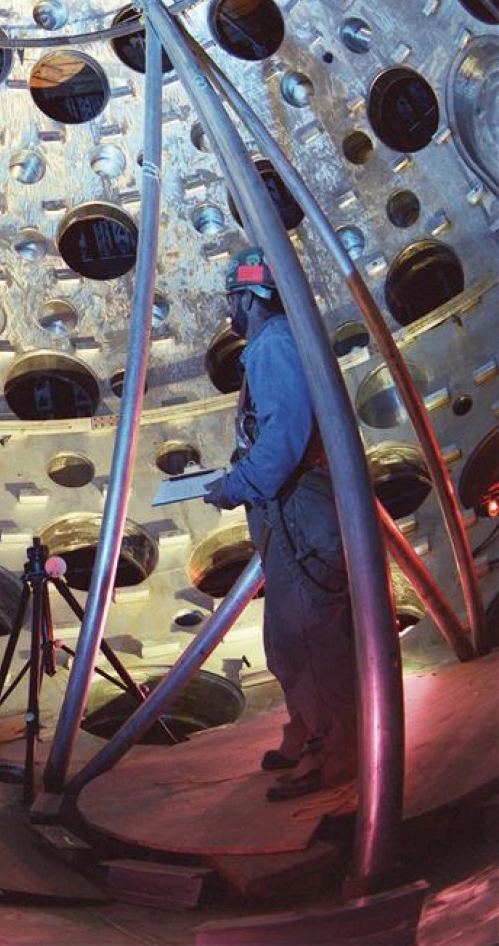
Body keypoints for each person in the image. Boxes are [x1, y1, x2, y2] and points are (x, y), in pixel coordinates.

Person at [203, 247, 358, 802]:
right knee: (286, 638)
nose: (230, 311)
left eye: (232, 299)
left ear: (248, 297)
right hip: (293, 508)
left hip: (298, 510)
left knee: (307, 636)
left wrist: (233, 487)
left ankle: (334, 753)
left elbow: (283, 442)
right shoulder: (281, 343)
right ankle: (306, 733)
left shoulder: (272, 345)